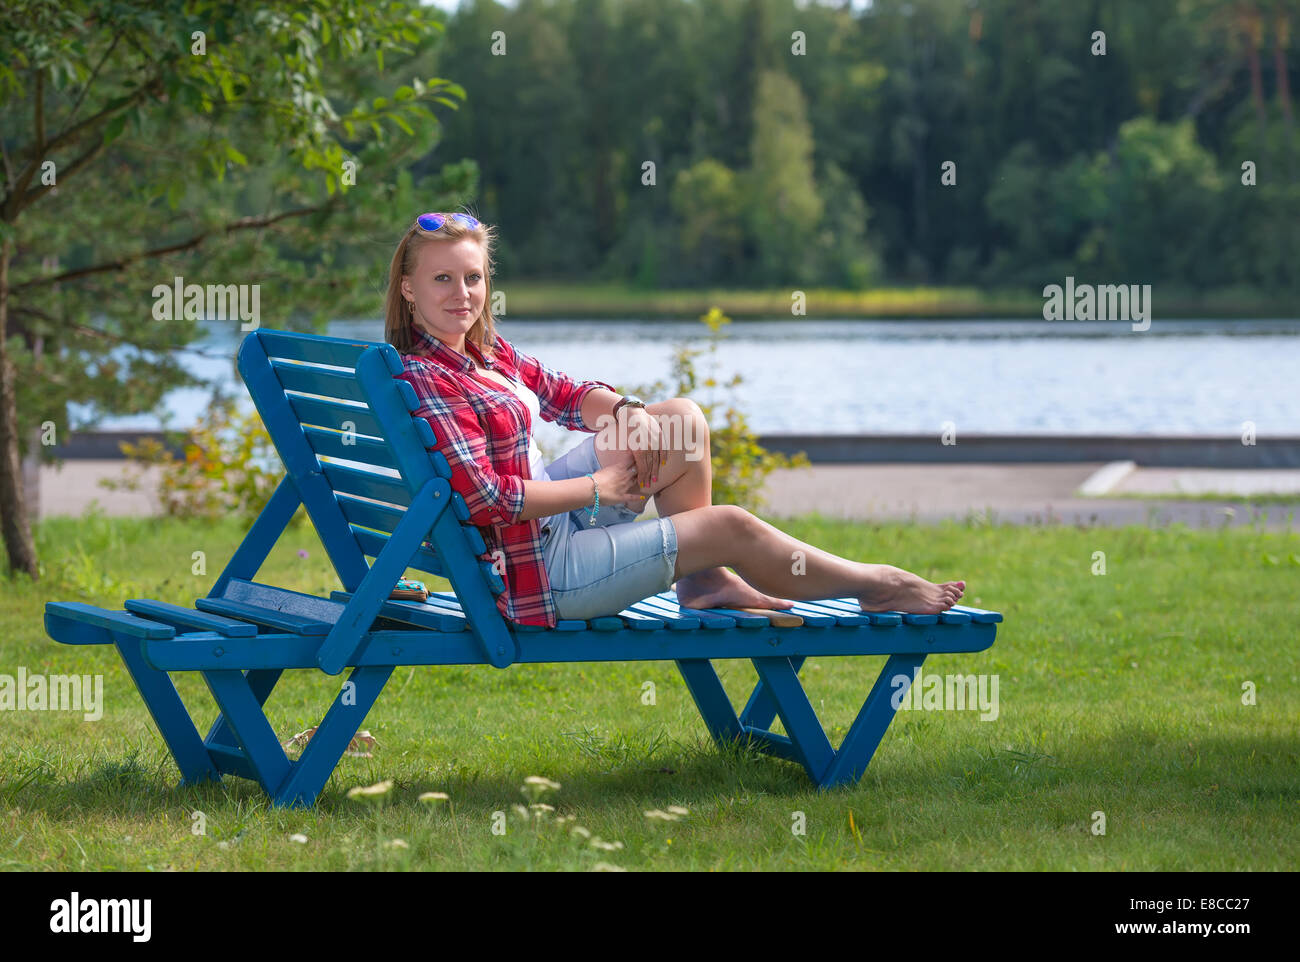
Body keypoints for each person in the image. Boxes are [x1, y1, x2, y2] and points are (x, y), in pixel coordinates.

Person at [385, 210, 965, 628]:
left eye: (473, 277)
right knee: (728, 527)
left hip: (548, 530)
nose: (463, 293)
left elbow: (565, 394)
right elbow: (486, 499)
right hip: (539, 571)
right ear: (408, 289)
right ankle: (879, 585)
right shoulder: (430, 377)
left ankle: (703, 579)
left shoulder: (482, 353)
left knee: (680, 420)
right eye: (443, 279)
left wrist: (627, 412)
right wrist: (598, 488)